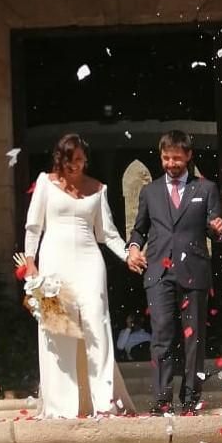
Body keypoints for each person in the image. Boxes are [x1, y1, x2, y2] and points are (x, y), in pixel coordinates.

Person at [24, 133, 133, 418]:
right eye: (73, 162)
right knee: (59, 329)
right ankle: (61, 406)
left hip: (89, 261)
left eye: (82, 161)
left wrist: (128, 254)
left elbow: (107, 233)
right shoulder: (45, 183)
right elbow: (33, 226)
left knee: (97, 321)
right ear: (61, 160)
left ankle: (104, 401)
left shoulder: (98, 189)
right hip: (53, 263)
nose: (78, 167)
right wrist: (30, 262)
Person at [126, 130, 222, 416]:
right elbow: (139, 229)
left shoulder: (206, 189)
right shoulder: (150, 191)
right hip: (158, 271)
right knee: (162, 335)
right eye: (166, 158)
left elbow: (214, 225)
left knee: (193, 338)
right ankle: (161, 398)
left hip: (194, 270)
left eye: (177, 158)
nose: (171, 164)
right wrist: (133, 249)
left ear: (188, 156)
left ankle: (191, 397)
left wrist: (218, 229)